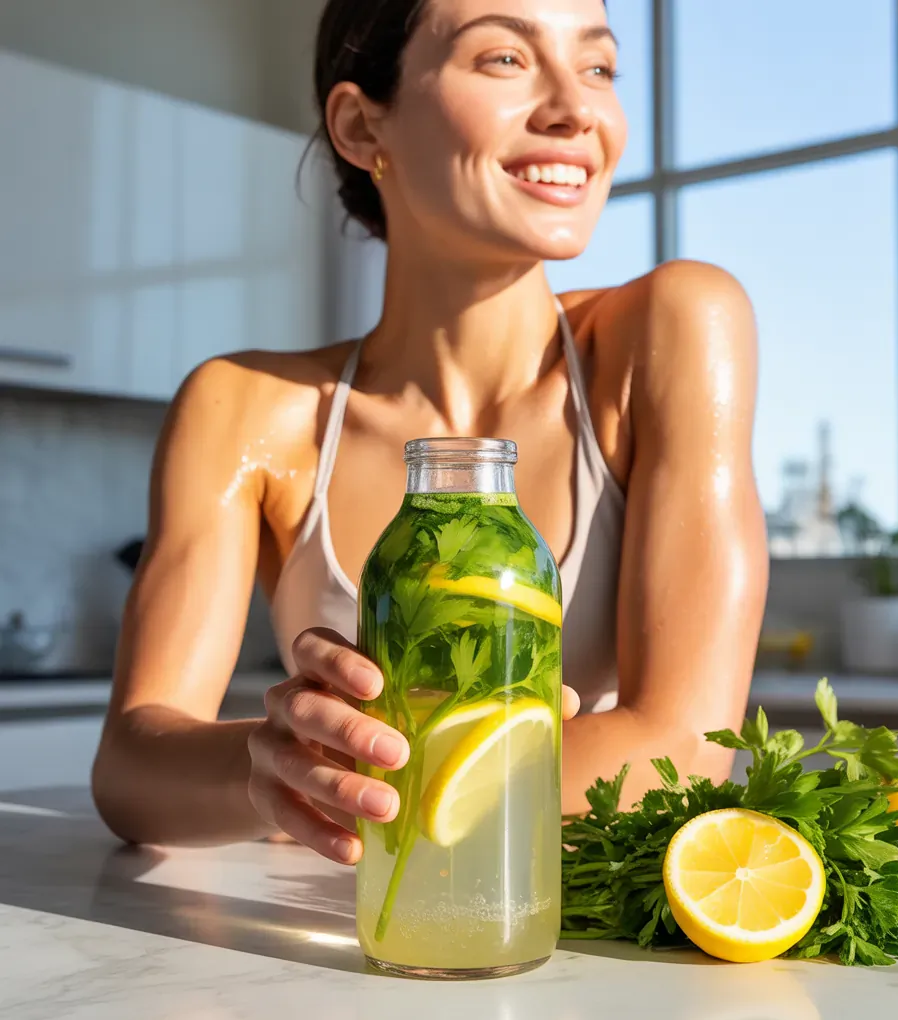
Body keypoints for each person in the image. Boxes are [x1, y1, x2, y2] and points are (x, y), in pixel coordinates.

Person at [92, 0, 768, 868]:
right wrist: (268, 768)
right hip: (346, 944)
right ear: (360, 122)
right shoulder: (249, 407)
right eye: (503, 60)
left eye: (598, 67)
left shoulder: (672, 327)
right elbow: (130, 768)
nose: (577, 108)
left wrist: (376, 787)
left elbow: (683, 752)